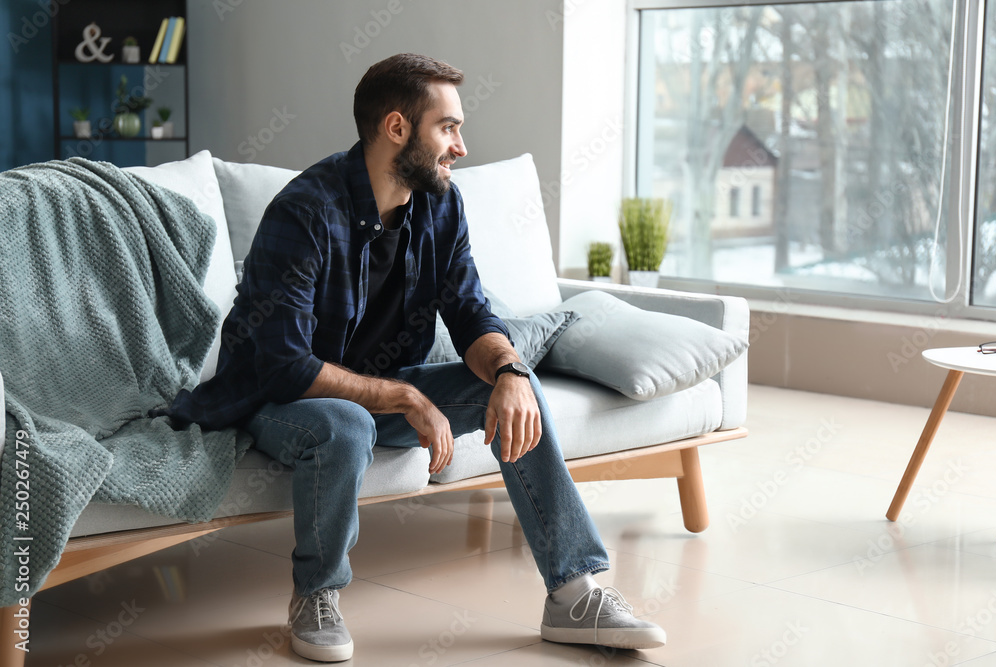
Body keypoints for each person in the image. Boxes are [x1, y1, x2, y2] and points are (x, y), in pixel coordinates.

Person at [168, 53, 666, 662]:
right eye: (448, 127)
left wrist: (510, 371)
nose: (461, 145)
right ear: (397, 128)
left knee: (518, 386)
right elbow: (284, 366)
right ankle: (316, 595)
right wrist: (407, 397)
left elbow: (469, 312)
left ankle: (572, 593)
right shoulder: (303, 213)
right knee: (346, 421)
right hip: (280, 400)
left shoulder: (440, 205)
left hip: (377, 386)